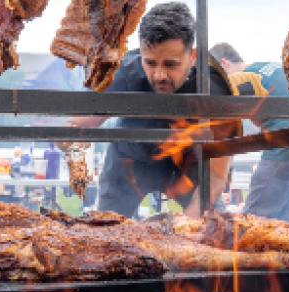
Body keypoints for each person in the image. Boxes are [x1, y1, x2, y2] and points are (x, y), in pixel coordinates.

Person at [57, 2, 244, 219]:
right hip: (130, 161)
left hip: (191, 165)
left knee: (208, 230)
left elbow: (217, 176)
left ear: (193, 57)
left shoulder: (217, 89)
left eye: (170, 64)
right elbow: (76, 124)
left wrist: (187, 229)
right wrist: (72, 143)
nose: (158, 75)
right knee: (106, 232)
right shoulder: (124, 72)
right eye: (150, 63)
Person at [209, 43, 289, 224]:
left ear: (224, 64)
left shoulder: (242, 78)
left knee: (252, 223)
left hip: (286, 151)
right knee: (285, 222)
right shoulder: (271, 67)